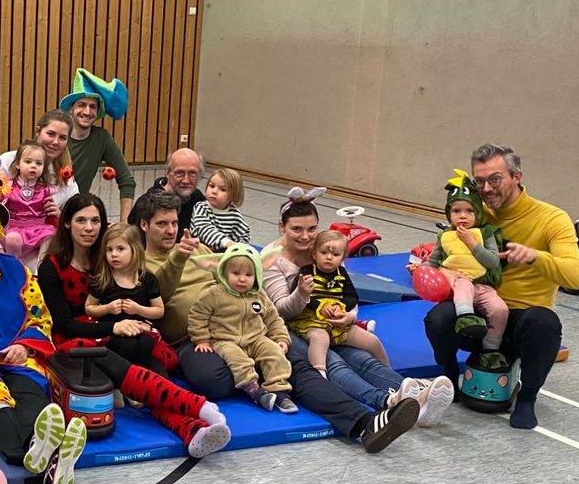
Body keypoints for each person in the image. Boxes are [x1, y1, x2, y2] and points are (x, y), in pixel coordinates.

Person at [0, 186, 233, 484]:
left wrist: (25, 344)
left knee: (43, 399)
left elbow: (40, 317)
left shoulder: (86, 261)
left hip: (47, 352)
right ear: (67, 223)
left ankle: (194, 422)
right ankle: (44, 455)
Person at [136, 192, 420, 452]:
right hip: (196, 339)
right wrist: (176, 259)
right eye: (162, 223)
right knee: (213, 379)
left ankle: (365, 423)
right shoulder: (141, 264)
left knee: (297, 365)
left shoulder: (197, 251)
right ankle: (260, 378)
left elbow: (236, 282)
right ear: (145, 225)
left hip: (245, 325)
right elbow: (159, 293)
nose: (171, 230)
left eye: (174, 222)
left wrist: (267, 323)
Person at [423, 144, 579, 429]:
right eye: (479, 181)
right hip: (476, 315)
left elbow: (576, 277)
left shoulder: (552, 218)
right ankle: (450, 379)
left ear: (517, 176)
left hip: (521, 320)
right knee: (438, 318)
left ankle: (527, 398)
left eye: (495, 179)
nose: (486, 188)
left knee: (544, 323)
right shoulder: (474, 213)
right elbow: (444, 253)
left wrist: (537, 257)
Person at [262, 189, 453, 427]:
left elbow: (345, 292)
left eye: (312, 229)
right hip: (292, 325)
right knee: (334, 362)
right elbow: (280, 310)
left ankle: (416, 394)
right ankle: (387, 400)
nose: (305, 236)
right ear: (282, 227)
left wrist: (349, 316)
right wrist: (302, 294)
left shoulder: (322, 250)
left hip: (330, 320)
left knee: (362, 357)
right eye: (296, 229)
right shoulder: (272, 260)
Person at [38, 194, 177, 375]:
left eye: (95, 221)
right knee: (127, 370)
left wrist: (142, 322)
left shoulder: (112, 258)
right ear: (67, 223)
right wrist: (114, 328)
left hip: (125, 328)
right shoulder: (52, 266)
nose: (89, 228)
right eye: (81, 220)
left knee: (155, 369)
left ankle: (193, 402)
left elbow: (141, 291)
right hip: (80, 336)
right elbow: (64, 325)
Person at [189, 244, 299, 414]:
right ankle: (253, 389)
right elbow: (197, 315)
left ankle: (278, 389)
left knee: (274, 353)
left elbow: (273, 318)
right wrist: (202, 339)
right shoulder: (214, 294)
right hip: (225, 340)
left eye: (249, 275)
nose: (242, 279)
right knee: (237, 359)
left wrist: (281, 338)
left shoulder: (259, 295)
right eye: (236, 273)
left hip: (256, 338)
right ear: (224, 272)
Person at [416, 170, 507, 361]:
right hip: (458, 284)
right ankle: (466, 318)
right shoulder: (445, 237)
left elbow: (492, 261)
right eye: (456, 211)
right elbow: (433, 261)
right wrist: (421, 269)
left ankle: (490, 350)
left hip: (483, 286)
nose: (463, 216)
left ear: (478, 212)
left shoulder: (486, 234)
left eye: (469, 211)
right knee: (463, 283)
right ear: (449, 215)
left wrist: (471, 243)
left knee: (500, 309)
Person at [288, 231, 392, 377]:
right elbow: (299, 296)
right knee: (320, 339)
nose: (329, 257)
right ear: (314, 254)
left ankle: (387, 369)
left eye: (335, 255)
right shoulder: (307, 271)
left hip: (337, 321)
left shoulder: (341, 273)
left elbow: (352, 296)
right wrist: (320, 306)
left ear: (343, 258)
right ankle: (320, 373)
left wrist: (341, 306)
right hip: (311, 321)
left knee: (372, 340)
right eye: (323, 252)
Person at [83, 223, 166, 371]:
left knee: (145, 343)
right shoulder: (103, 280)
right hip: (112, 332)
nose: (114, 254)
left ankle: (140, 379)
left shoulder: (147, 279)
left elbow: (159, 310)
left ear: (135, 250)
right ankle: (122, 380)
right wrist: (107, 308)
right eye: (109, 250)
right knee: (127, 345)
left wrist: (139, 310)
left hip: (140, 329)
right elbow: (89, 308)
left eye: (120, 249)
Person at [58, 68, 137, 219]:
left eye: (93, 106)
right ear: (71, 108)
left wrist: (124, 224)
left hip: (77, 214)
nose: (87, 112)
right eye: (81, 104)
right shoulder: (56, 135)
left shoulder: (101, 138)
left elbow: (127, 181)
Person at [0, 110, 79, 217]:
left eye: (62, 138)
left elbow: (77, 213)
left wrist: (59, 216)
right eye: (51, 134)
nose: (55, 142)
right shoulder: (8, 161)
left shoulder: (65, 174)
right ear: (38, 132)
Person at [0, 141, 58, 269]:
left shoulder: (45, 189)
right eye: (28, 162)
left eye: (38, 163)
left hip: (38, 228)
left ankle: (41, 268)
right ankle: (12, 267)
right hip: (14, 227)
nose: (33, 166)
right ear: (18, 164)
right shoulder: (7, 186)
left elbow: (51, 211)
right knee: (12, 239)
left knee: (51, 236)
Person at [126, 148, 206, 232]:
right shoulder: (146, 203)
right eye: (179, 173)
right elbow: (133, 242)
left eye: (192, 173)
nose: (186, 180)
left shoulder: (198, 199)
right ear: (168, 173)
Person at [189, 167, 250, 252]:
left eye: (223, 189)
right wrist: (227, 242)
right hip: (199, 251)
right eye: (212, 186)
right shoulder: (201, 207)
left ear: (233, 195)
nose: (214, 191)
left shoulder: (234, 214)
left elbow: (244, 234)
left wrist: (239, 248)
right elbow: (205, 230)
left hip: (223, 254)